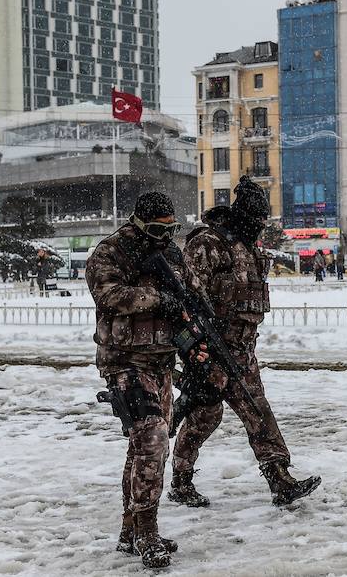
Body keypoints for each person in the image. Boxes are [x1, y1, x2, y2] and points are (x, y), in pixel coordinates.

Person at [170, 176, 321, 510]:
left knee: (258, 412)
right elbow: (184, 299)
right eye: (256, 218)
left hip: (241, 353)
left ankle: (280, 479)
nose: (260, 225)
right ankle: (180, 480)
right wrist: (193, 350)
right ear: (241, 215)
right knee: (205, 417)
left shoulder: (250, 248)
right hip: (209, 352)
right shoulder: (208, 243)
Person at [86, 191, 207, 569]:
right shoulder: (112, 252)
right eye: (157, 229)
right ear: (139, 222)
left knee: (145, 447)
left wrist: (195, 337)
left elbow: (191, 294)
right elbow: (108, 294)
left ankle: (130, 528)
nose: (164, 236)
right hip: (124, 361)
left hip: (161, 362)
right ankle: (147, 530)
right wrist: (158, 299)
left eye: (170, 229)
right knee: (153, 440)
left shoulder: (172, 255)